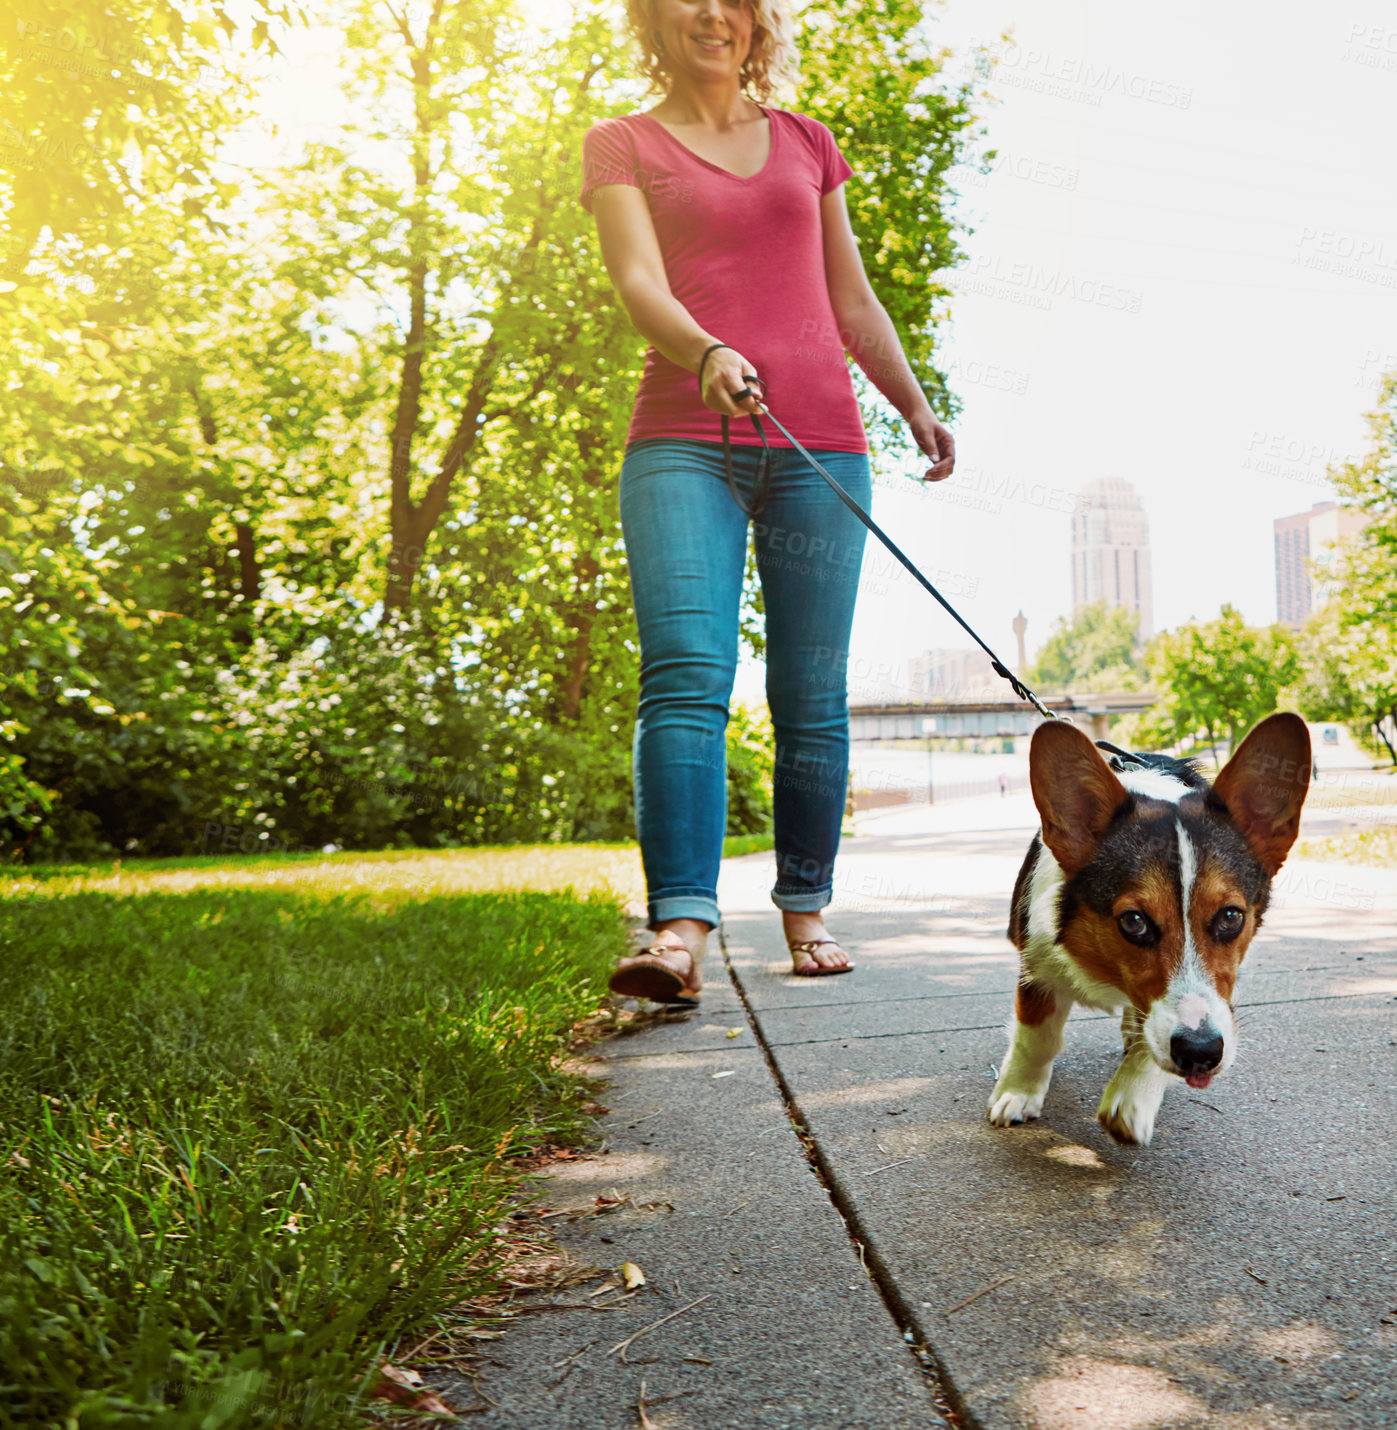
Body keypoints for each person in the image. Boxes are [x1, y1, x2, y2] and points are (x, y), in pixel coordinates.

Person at [579, 0, 955, 1004]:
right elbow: (633, 279)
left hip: (819, 443)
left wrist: (912, 407)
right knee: (687, 670)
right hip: (680, 440)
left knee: (809, 688)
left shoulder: (806, 142)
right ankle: (677, 931)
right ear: (654, 20)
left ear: (754, 22)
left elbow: (850, 298)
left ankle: (805, 909)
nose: (711, 13)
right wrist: (703, 350)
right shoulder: (621, 144)